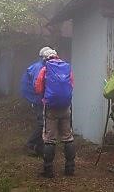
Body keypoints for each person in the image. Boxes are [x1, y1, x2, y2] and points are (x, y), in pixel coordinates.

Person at [34, 49, 75, 178]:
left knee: (49, 139)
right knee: (68, 137)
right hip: (66, 107)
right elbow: (72, 85)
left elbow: (38, 88)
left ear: (46, 58)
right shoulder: (67, 68)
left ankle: (48, 170)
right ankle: (70, 168)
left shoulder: (45, 69)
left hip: (50, 108)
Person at [20, 46, 52, 156]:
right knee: (42, 123)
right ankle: (30, 144)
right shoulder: (39, 67)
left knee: (44, 123)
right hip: (38, 99)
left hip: (38, 98)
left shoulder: (39, 66)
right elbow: (37, 86)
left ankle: (39, 148)